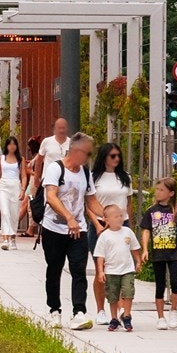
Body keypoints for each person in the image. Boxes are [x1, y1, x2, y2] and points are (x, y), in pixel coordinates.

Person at [41, 131, 101, 330]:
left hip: (78, 230)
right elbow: (51, 196)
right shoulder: (55, 169)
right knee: (54, 270)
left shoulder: (85, 173)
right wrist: (68, 218)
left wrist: (108, 215)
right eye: (86, 153)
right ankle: (54, 310)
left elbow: (90, 199)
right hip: (54, 228)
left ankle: (79, 312)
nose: (87, 157)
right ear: (75, 150)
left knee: (78, 270)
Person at [139, 176, 177, 330]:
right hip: (158, 253)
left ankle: (174, 310)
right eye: (157, 189)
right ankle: (160, 316)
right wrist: (145, 249)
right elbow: (146, 230)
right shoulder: (151, 211)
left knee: (176, 282)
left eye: (162, 190)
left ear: (171, 193)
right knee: (160, 284)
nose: (158, 192)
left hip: (174, 252)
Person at [89, 142, 134, 317]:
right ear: (104, 157)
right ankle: (101, 309)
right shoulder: (94, 177)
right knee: (102, 268)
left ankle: (121, 308)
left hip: (122, 225)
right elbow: (89, 203)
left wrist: (128, 224)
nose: (116, 159)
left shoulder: (125, 177)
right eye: (112, 156)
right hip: (100, 226)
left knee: (122, 268)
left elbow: (129, 202)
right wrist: (98, 224)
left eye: (118, 156)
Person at [93, 203, 141, 332]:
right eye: (116, 216)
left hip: (127, 270)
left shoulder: (128, 232)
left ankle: (126, 315)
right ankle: (114, 318)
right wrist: (100, 271)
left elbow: (135, 248)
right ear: (106, 220)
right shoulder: (104, 236)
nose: (119, 218)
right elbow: (100, 256)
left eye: (121, 216)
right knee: (112, 295)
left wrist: (138, 261)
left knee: (128, 292)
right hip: (111, 271)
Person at [0, 136, 26, 250]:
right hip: (3, 186)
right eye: (9, 144)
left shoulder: (20, 159)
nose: (12, 146)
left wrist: (23, 190)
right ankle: (5, 239)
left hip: (15, 186)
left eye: (14, 144)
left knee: (14, 214)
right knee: (5, 212)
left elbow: (24, 176)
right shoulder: (0, 159)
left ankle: (12, 238)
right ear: (6, 146)